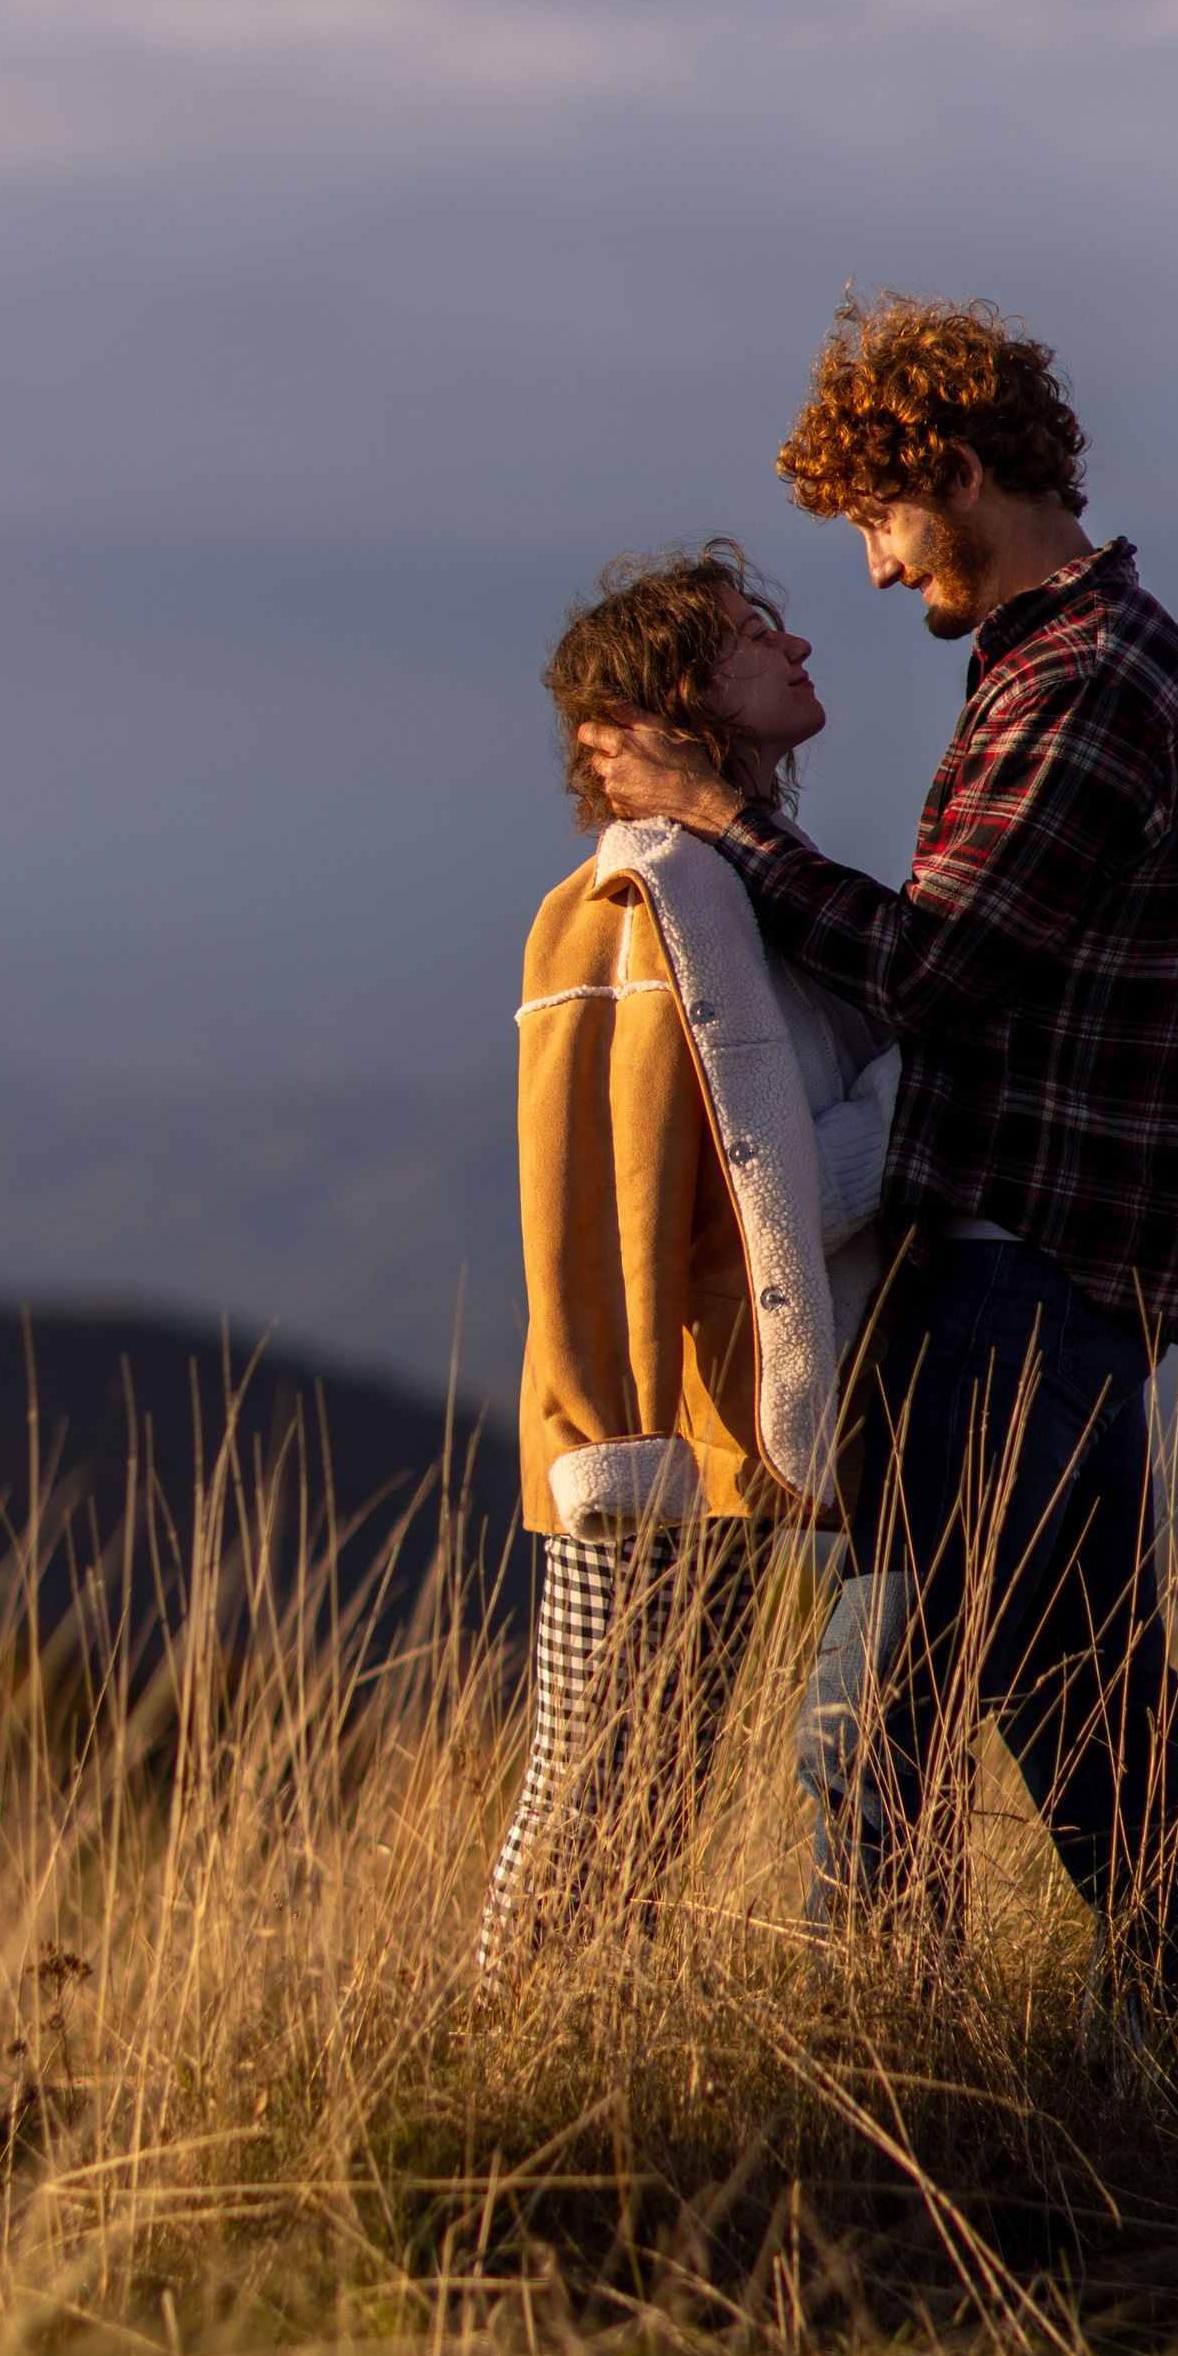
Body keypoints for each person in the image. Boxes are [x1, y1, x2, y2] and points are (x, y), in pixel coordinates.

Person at [578, 296, 1178, 2082]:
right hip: (1069, 1278)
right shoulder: (1060, 667)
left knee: (872, 1730)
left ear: (956, 474)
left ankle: (879, 2117)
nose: (874, 575)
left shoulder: (1087, 679)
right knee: (1097, 1728)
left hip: (1020, 1271)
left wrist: (730, 831)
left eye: (879, 523)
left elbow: (937, 968)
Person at [482, 540, 899, 1970]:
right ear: (675, 697)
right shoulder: (632, 900)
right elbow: (610, 1198)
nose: (796, 646)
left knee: (639, 1812)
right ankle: (486, 2091)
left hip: (726, 1435)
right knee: (591, 1814)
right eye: (749, 633)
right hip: (653, 1450)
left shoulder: (736, 886)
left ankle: (564, 2094)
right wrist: (613, 1448)